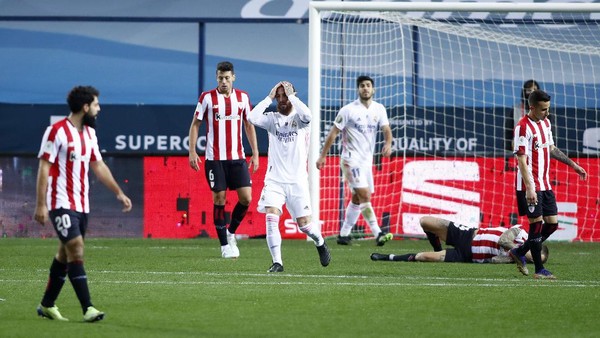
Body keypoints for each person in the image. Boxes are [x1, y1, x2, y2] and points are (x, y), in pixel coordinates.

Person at [34, 86, 132, 322]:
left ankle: (47, 305)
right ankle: (88, 308)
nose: (99, 109)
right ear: (85, 107)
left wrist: (119, 192)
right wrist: (40, 205)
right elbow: (44, 168)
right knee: (76, 248)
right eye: (96, 105)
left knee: (65, 254)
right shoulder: (55, 132)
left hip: (82, 204)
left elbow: (98, 165)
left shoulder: (89, 134)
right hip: (59, 201)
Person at [248, 81, 331, 272]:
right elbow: (252, 117)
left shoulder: (301, 120)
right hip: (274, 180)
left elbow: (308, 115)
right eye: (279, 97)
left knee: (305, 225)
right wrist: (268, 97)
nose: (281, 100)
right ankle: (277, 262)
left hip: (297, 181)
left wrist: (291, 95)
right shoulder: (272, 119)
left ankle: (320, 242)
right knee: (271, 217)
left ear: (293, 95)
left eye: (284, 96)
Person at [510, 89, 587, 279]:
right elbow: (521, 160)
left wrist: (573, 165)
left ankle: (519, 252)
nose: (547, 112)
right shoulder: (523, 127)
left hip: (545, 184)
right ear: (532, 107)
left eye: (548, 109)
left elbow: (551, 148)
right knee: (536, 225)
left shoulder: (545, 123)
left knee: (551, 224)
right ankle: (539, 270)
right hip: (530, 186)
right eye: (543, 109)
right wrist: (530, 188)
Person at [188, 61, 259, 259]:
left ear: (233, 77)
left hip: (237, 158)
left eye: (227, 78)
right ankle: (224, 245)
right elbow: (195, 124)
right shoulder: (207, 98)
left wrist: (255, 152)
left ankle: (231, 232)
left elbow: (249, 125)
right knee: (219, 199)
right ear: (216, 78)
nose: (224, 81)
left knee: (246, 198)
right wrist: (192, 151)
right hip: (215, 159)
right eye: (220, 78)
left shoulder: (243, 98)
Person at [316, 75, 393, 246]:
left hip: (366, 161)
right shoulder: (348, 110)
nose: (365, 88)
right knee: (365, 195)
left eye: (368, 85)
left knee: (357, 198)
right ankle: (378, 233)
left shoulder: (379, 109)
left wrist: (388, 144)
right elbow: (333, 133)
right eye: (362, 86)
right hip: (350, 160)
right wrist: (323, 156)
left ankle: (343, 235)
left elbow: (386, 129)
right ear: (358, 89)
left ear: (373, 89)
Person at [370, 216, 549, 264]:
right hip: (468, 234)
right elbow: (503, 239)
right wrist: (514, 252)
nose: (532, 259)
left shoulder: (515, 260)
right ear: (534, 247)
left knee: (423, 258)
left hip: (467, 254)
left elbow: (493, 260)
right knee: (425, 221)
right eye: (535, 255)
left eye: (535, 261)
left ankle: (387, 257)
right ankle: (436, 245)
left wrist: (510, 258)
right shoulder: (522, 234)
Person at [505, 80, 540, 152]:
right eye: (529, 90)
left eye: (534, 90)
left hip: (538, 147)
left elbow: (552, 133)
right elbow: (508, 132)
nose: (532, 93)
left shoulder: (544, 110)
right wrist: (508, 152)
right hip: (519, 148)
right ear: (524, 92)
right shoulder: (515, 109)